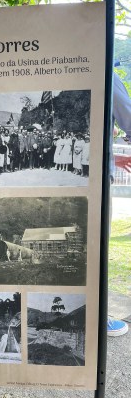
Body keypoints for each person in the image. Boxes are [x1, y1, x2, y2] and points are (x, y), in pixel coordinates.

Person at [107, 73, 131, 337]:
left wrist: (112, 157)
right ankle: (96, 316)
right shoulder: (105, 69)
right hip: (95, 182)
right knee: (96, 248)